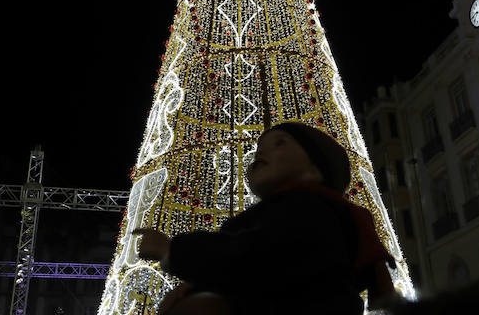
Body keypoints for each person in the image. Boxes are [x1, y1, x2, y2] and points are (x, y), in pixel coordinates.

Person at [133, 121, 399, 315]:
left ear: (314, 171)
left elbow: (255, 257)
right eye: (260, 146)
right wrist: (195, 285)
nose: (261, 152)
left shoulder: (312, 210)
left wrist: (173, 251)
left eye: (279, 143)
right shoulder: (290, 210)